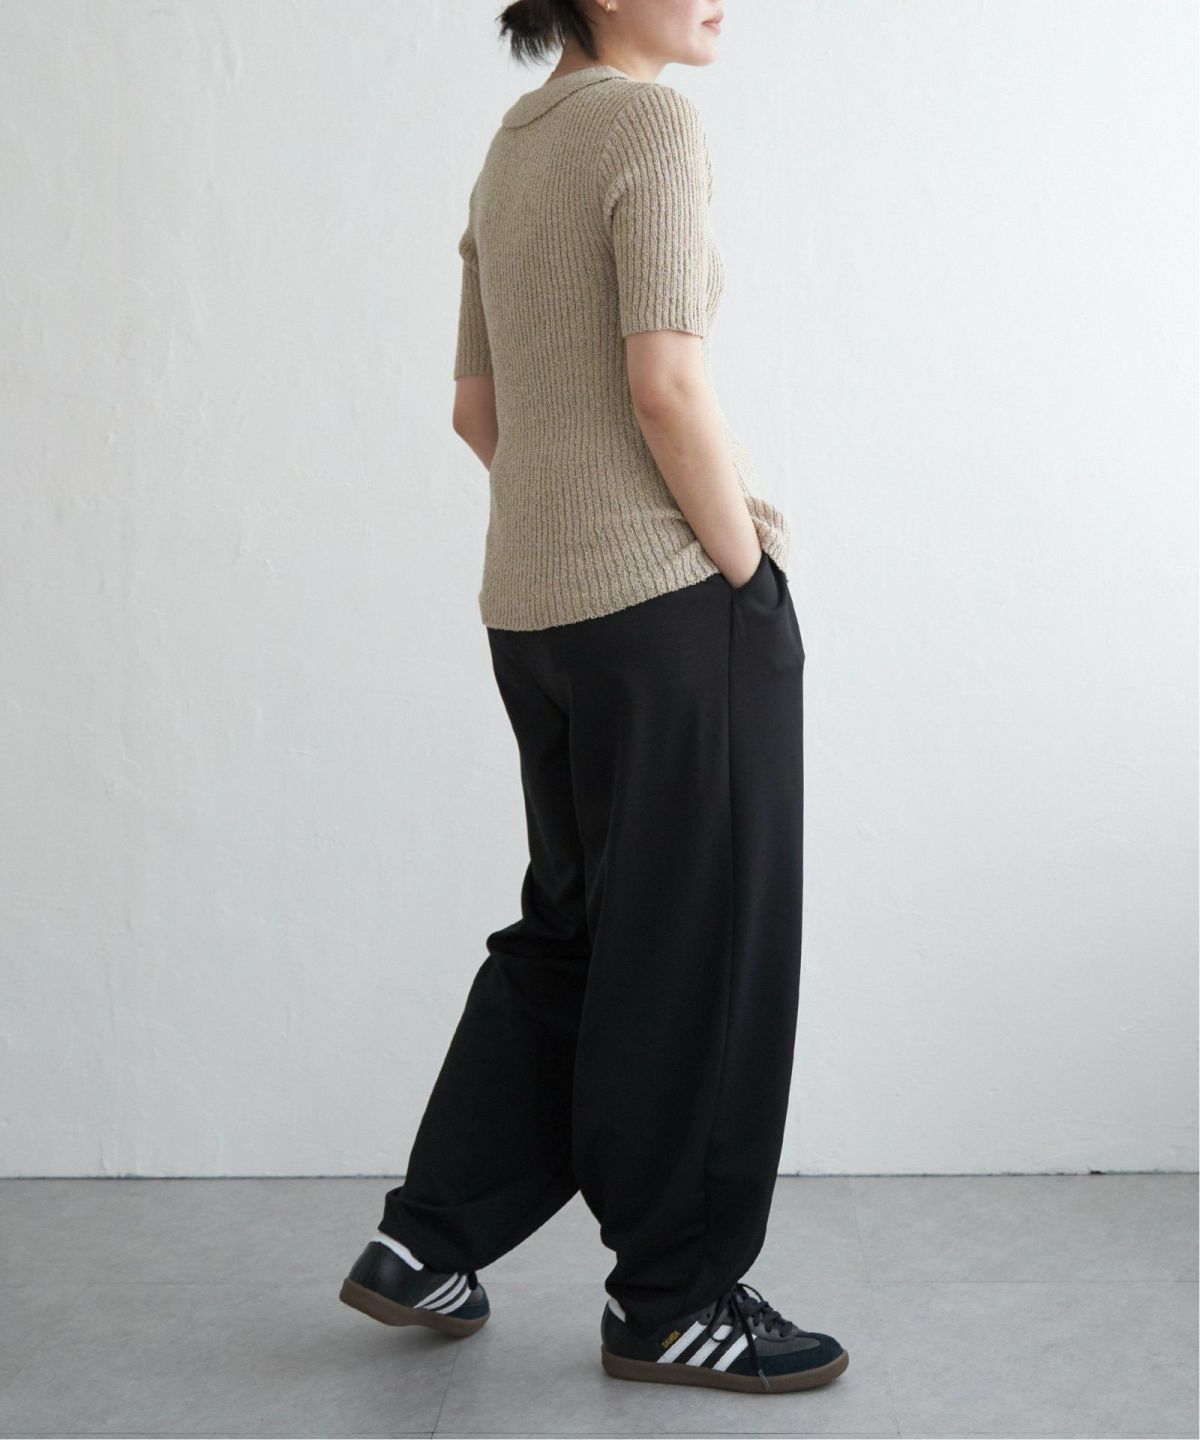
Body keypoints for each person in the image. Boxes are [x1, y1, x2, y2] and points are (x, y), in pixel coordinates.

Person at [339, 0, 848, 1395]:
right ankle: (674, 1298)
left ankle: (428, 1237)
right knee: (699, 944)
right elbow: (666, 383)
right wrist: (745, 571)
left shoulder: (514, 146)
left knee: (574, 932)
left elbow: (478, 410)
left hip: (534, 605)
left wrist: (571, 531)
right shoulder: (650, 126)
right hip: (669, 610)